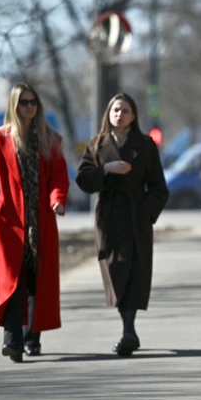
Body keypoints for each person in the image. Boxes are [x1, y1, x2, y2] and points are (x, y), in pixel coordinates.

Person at [76, 93, 169, 356]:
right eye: (116, 110)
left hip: (136, 217)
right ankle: (129, 329)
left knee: (135, 271)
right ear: (108, 113)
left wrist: (145, 213)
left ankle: (129, 330)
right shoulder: (96, 144)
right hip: (108, 218)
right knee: (114, 269)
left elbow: (159, 188)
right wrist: (105, 169)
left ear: (133, 115)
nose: (120, 114)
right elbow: (83, 180)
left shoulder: (145, 145)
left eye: (125, 110)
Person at [0, 83, 69, 363]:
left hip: (40, 221)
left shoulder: (51, 139)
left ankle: (32, 338)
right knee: (12, 282)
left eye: (33, 102)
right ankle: (12, 341)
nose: (30, 107)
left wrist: (58, 199)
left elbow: (58, 176)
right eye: (24, 102)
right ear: (14, 105)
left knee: (35, 280)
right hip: (7, 222)